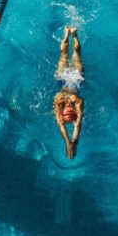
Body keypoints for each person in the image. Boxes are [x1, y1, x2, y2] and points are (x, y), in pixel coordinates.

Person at [53, 26, 84, 159]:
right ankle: (72, 34)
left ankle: (69, 34)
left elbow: (75, 124)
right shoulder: (74, 101)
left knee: (68, 54)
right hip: (71, 79)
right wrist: (71, 142)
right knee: (70, 53)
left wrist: (69, 142)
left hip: (69, 79)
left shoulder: (62, 102)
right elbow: (76, 124)